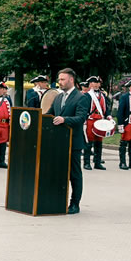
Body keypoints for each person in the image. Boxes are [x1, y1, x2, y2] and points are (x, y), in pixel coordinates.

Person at [51, 68, 91, 215]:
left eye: (62, 79)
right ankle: (57, 201)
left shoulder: (81, 97)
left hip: (73, 143)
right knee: (59, 173)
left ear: (71, 80)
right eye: (59, 79)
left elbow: (81, 118)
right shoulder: (58, 97)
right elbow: (49, 114)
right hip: (58, 143)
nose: (60, 82)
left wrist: (64, 120)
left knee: (74, 174)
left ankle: (75, 204)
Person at [82, 76, 109, 170]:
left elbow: (106, 109)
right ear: (90, 84)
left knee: (99, 142)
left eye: (98, 83)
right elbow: (84, 109)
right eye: (94, 82)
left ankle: (97, 162)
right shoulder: (87, 95)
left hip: (100, 120)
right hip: (90, 120)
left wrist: (108, 116)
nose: (97, 84)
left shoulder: (103, 95)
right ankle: (86, 162)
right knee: (89, 142)